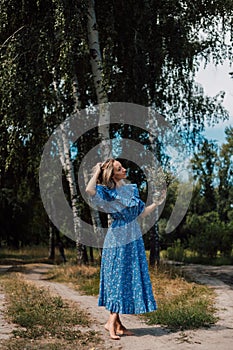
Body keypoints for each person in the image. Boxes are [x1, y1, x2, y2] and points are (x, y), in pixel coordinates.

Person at [85, 158, 166, 340]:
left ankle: (118, 325)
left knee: (127, 276)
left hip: (134, 237)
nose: (124, 170)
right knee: (118, 277)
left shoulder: (131, 189)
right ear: (112, 176)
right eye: (119, 169)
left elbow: (142, 213)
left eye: (122, 167)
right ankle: (111, 323)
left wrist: (157, 203)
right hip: (118, 238)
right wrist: (98, 170)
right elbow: (89, 190)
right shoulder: (107, 192)